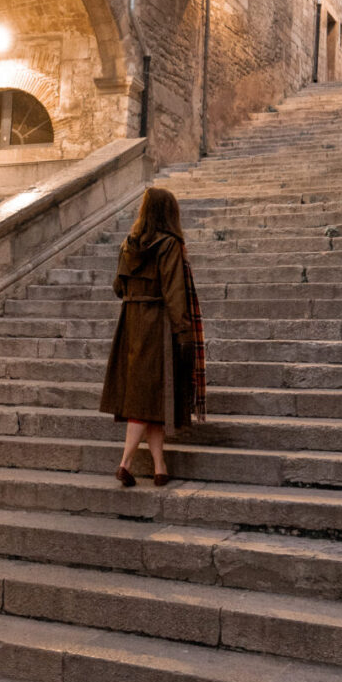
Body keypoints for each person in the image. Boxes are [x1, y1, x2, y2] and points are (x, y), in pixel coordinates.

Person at [99, 186, 206, 487]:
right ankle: (126, 461)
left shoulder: (128, 244)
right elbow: (174, 292)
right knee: (146, 398)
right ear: (169, 213)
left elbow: (118, 288)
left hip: (130, 324)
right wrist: (183, 332)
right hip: (158, 324)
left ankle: (160, 466)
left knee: (154, 397)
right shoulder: (169, 243)